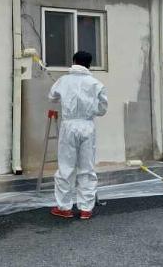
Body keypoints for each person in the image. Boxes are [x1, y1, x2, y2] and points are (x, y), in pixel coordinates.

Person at [48, 51, 108, 220]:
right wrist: (91, 110)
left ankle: (64, 207)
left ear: (74, 61)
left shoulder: (63, 80)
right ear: (90, 64)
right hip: (87, 125)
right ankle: (86, 209)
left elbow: (52, 97)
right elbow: (103, 109)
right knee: (87, 167)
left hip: (69, 125)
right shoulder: (96, 83)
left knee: (66, 167)